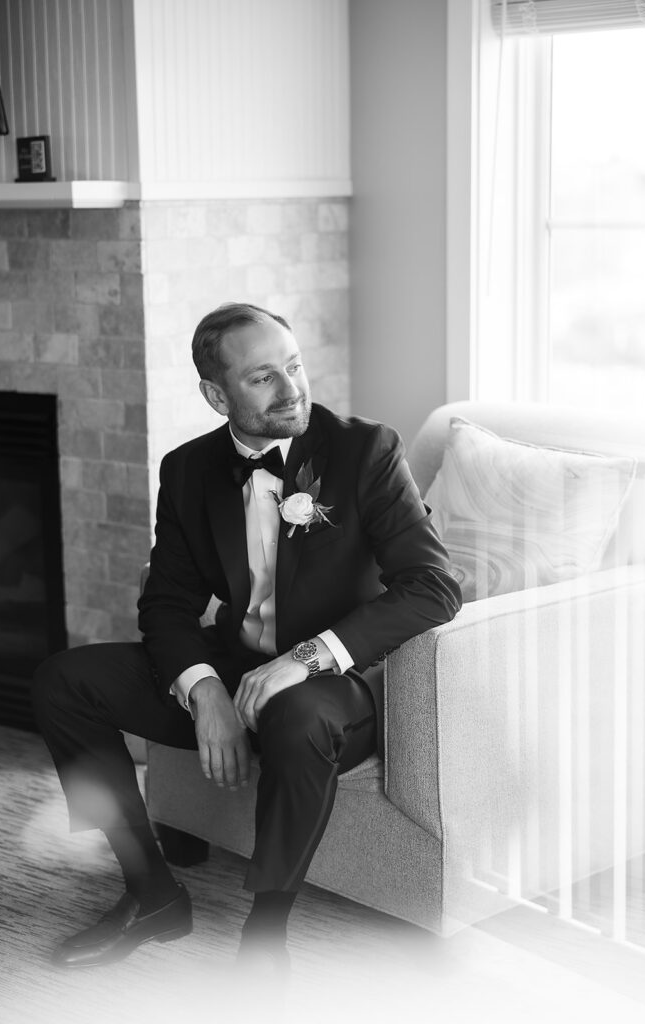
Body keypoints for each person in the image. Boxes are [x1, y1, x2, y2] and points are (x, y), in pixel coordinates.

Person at [32, 301, 461, 973]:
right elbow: (168, 602)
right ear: (215, 393)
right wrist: (205, 693)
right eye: (263, 377)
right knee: (64, 680)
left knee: (294, 714)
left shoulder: (363, 450)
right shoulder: (187, 470)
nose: (292, 389)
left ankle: (265, 934)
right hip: (236, 666)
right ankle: (150, 893)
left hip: (338, 685)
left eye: (293, 366)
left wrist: (303, 659)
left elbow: (433, 586)